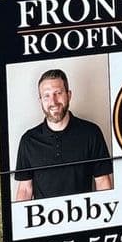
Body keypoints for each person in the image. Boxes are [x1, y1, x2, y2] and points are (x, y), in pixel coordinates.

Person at [14, 69, 113, 201]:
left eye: (58, 93)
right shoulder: (28, 140)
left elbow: (102, 182)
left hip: (84, 217)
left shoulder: (91, 133)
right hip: (44, 219)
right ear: (40, 100)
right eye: (46, 96)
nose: (53, 102)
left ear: (69, 95)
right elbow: (25, 189)